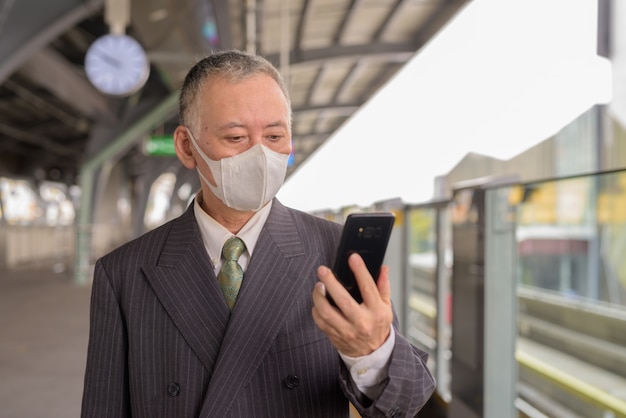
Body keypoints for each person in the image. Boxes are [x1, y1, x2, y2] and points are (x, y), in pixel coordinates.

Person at [81, 49, 435, 418]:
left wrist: (373, 352)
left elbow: (409, 402)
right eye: (235, 137)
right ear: (187, 147)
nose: (261, 155)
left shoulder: (335, 251)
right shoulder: (124, 273)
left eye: (275, 135)